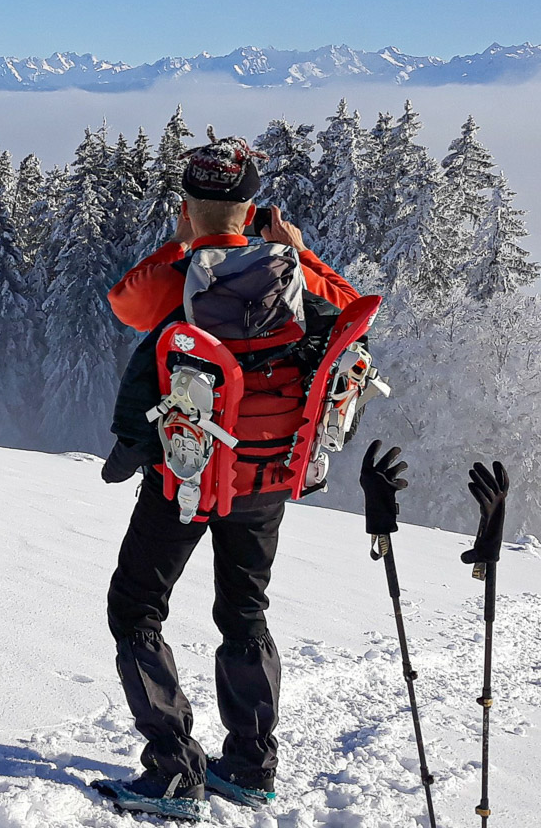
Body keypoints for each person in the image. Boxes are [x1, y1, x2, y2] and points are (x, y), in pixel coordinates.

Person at [94, 136, 361, 814]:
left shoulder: (180, 274)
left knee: (136, 610)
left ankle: (172, 771)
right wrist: (292, 247)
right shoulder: (292, 273)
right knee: (243, 612)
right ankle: (247, 764)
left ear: (185, 204)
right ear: (252, 205)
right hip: (265, 480)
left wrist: (191, 240)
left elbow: (125, 303)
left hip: (184, 479)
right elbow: (351, 314)